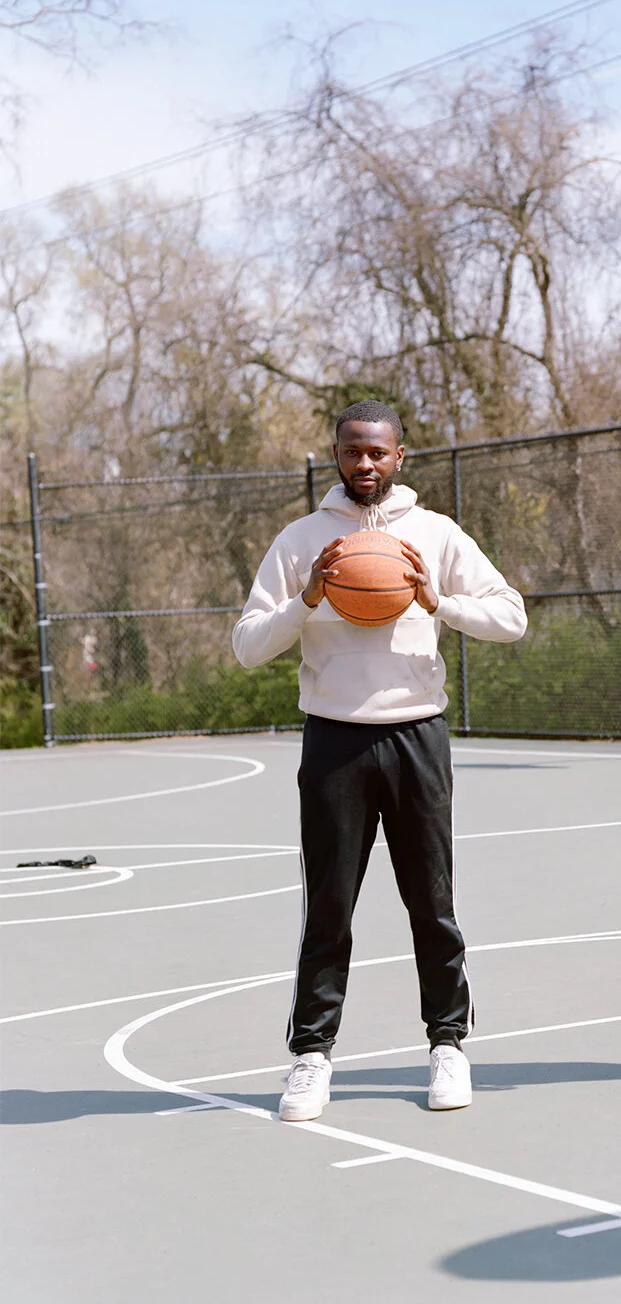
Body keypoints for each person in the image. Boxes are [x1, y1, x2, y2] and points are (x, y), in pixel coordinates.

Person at [232, 400, 527, 1120]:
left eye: (377, 453)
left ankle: (448, 1047)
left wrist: (440, 602)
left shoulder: (435, 534)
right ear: (336, 454)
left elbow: (512, 618)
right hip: (333, 737)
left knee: (432, 901)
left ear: (401, 456)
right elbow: (246, 646)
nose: (364, 464)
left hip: (415, 734)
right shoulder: (302, 540)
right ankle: (310, 1057)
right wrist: (305, 601)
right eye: (351, 451)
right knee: (328, 907)